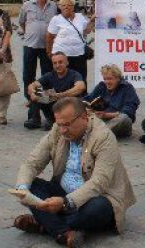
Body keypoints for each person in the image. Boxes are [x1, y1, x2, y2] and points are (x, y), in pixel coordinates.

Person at [12, 97, 136, 247]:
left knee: (98, 208)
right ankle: (64, 233)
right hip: (63, 192)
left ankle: (45, 224)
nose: (63, 130)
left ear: (84, 117)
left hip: (97, 196)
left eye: (67, 124)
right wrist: (22, 189)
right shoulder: (58, 130)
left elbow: (99, 182)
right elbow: (32, 163)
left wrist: (65, 203)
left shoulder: (103, 137)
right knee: (32, 185)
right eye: (60, 124)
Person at [20, 0, 58, 129]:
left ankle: (49, 115)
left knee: (47, 79)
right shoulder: (27, 5)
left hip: (47, 48)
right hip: (30, 46)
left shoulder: (54, 6)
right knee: (28, 78)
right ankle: (33, 114)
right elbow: (22, 23)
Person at [27, 52, 86, 130]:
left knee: (51, 95)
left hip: (69, 105)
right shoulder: (49, 75)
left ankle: (55, 121)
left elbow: (81, 87)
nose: (58, 65)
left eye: (60, 62)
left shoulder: (74, 74)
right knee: (37, 91)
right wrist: (33, 93)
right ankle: (35, 119)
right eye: (55, 63)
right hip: (54, 103)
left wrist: (61, 95)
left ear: (67, 62)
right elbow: (32, 85)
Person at [47, 0, 94, 86]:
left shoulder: (80, 17)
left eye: (69, 5)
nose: (66, 7)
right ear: (59, 7)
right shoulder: (56, 19)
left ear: (73, 6)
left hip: (79, 54)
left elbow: (86, 31)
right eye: (63, 5)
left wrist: (92, 21)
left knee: (81, 78)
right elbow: (49, 37)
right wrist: (49, 52)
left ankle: (81, 98)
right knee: (63, 79)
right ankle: (62, 98)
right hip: (62, 56)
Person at [83, 64, 140, 139]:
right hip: (101, 120)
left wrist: (106, 115)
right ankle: (97, 133)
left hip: (120, 123)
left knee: (124, 117)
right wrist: (87, 108)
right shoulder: (101, 86)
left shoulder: (127, 87)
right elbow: (87, 99)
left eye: (110, 79)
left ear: (118, 78)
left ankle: (97, 135)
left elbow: (129, 111)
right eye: (105, 79)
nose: (107, 82)